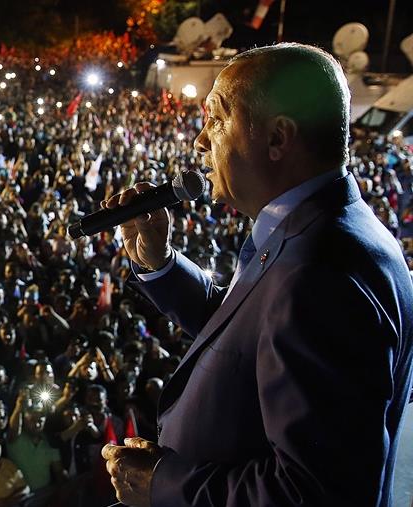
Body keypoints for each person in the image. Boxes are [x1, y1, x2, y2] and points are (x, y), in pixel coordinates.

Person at [100, 43, 413, 506]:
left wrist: (162, 484)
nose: (200, 140)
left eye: (217, 118)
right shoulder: (315, 229)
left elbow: (316, 493)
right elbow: (249, 333)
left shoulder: (321, 274)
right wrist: (160, 263)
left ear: (277, 139)